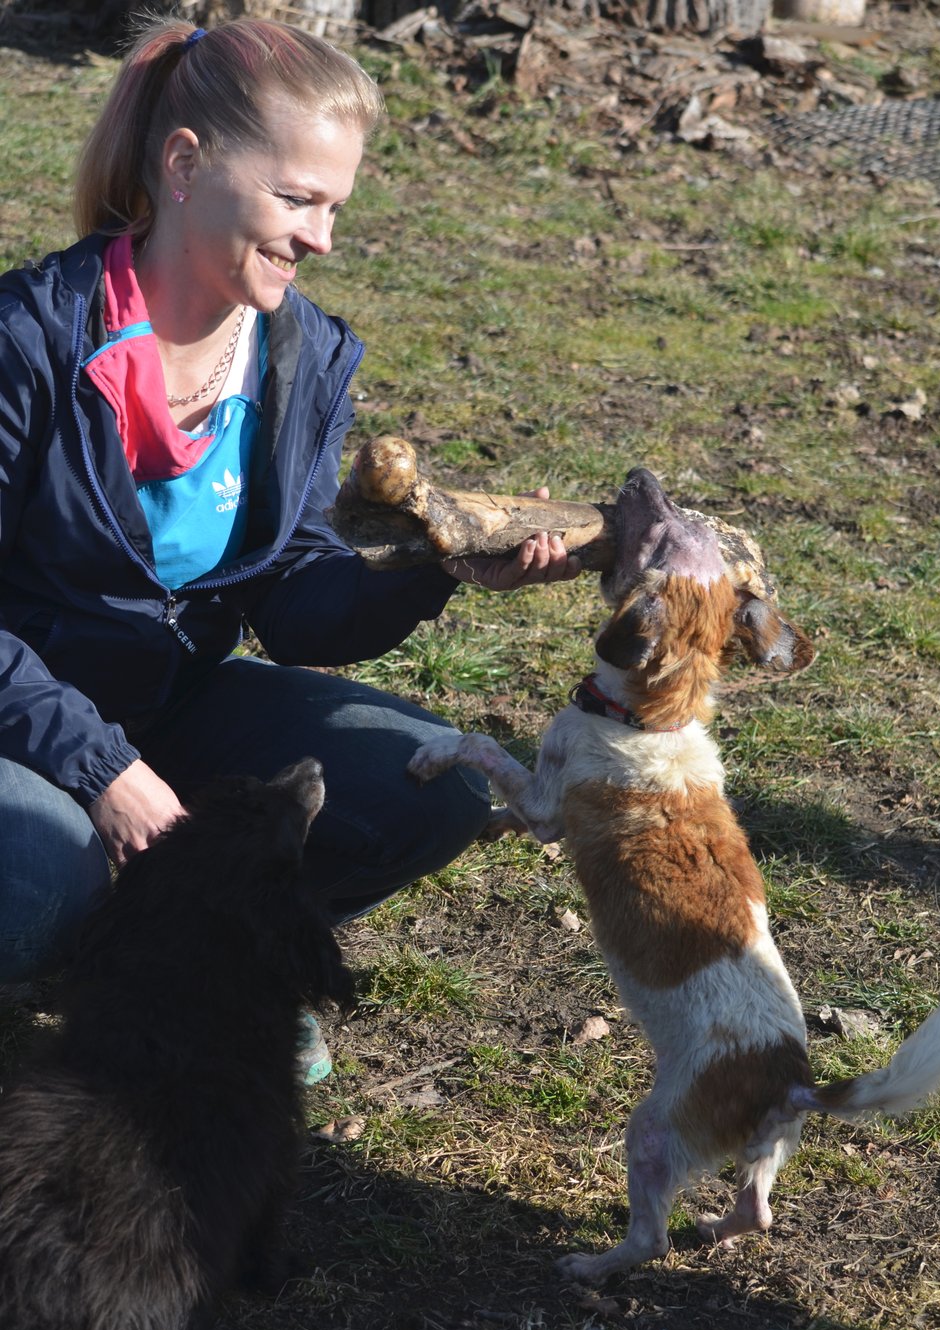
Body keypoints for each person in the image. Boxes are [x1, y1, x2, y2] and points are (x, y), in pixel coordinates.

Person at [0, 17, 580, 1076]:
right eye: (297, 198)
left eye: (335, 207)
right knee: (49, 876)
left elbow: (295, 604)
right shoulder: (29, 339)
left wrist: (432, 567)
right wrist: (100, 768)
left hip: (172, 705)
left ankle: (206, 957)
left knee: (431, 785)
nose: (321, 237)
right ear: (185, 166)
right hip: (23, 725)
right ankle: (126, 936)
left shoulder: (302, 355)